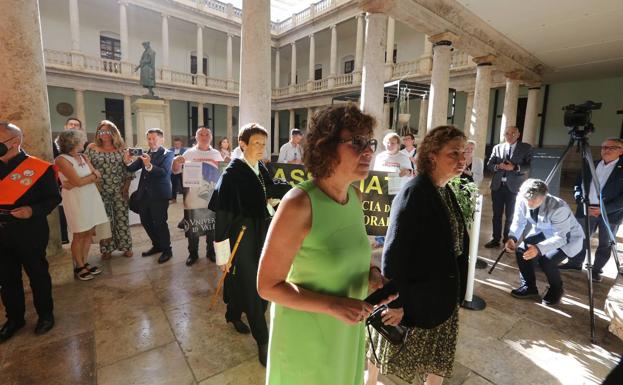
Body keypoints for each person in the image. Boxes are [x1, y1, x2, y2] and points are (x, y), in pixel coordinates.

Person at [258, 105, 391, 385]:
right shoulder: (299, 203)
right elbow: (267, 285)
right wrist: (333, 305)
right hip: (307, 339)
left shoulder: (355, 197)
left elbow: (349, 259)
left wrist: (372, 276)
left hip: (345, 333)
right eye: (356, 142)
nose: (368, 150)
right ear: (326, 147)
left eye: (370, 142)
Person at [367, 125, 469, 385]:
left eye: (463, 153)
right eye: (453, 153)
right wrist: (395, 303)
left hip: (440, 293)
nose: (462, 159)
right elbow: (394, 252)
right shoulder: (416, 191)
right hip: (416, 295)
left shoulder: (443, 189)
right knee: (388, 347)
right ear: (432, 155)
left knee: (437, 357)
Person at [208, 123, 290, 366]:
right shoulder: (232, 174)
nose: (261, 148)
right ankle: (263, 340)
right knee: (254, 287)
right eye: (256, 143)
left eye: (264, 144)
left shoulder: (260, 167)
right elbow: (221, 217)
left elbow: (269, 190)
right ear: (242, 144)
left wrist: (291, 192)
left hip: (263, 232)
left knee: (250, 281)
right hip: (241, 237)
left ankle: (233, 313)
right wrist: (223, 257)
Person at [0, 122, 60, 342]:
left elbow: (54, 198)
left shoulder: (38, 168)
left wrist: (32, 210)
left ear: (14, 142)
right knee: (7, 278)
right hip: (1, 232)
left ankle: (45, 315)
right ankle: (14, 319)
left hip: (29, 231)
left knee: (37, 274)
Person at [506, 179, 584, 305]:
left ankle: (556, 289)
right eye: (527, 199)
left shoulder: (559, 207)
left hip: (568, 237)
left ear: (544, 196)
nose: (529, 203)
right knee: (521, 250)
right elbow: (519, 221)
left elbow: (561, 237)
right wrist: (512, 237)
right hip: (544, 231)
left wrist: (538, 248)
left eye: (533, 200)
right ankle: (529, 287)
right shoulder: (522, 199)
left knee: (547, 260)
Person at [560, 138, 623, 282]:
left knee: (604, 243)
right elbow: (578, 185)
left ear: (621, 151)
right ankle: (575, 263)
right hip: (586, 209)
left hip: (610, 214)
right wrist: (581, 202)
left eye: (612, 147)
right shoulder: (591, 164)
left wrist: (603, 210)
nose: (606, 150)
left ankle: (596, 270)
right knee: (579, 237)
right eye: (604, 147)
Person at [55, 130, 108, 281]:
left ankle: (84, 261)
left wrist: (80, 181)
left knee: (89, 231)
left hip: (90, 196)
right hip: (75, 199)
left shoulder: (83, 156)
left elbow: (97, 175)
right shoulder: (61, 159)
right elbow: (81, 180)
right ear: (73, 142)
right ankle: (78, 266)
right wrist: (88, 178)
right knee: (79, 233)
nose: (84, 141)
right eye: (81, 139)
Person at [172, 127, 223, 266]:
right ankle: (193, 254)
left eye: (207, 134)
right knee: (192, 226)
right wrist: (176, 162)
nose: (204, 136)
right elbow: (176, 171)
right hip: (193, 197)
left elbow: (223, 173)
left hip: (212, 197)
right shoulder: (189, 153)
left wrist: (228, 162)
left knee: (211, 226)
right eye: (201, 134)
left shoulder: (216, 154)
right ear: (196, 137)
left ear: (211, 137)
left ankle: (210, 252)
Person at [84, 120, 134, 259]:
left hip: (119, 188)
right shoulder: (92, 148)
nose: (104, 134)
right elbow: (86, 166)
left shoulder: (122, 148)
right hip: (99, 189)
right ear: (98, 133)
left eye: (108, 131)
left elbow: (128, 169)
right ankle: (106, 249)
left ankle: (126, 247)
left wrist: (126, 188)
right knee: (104, 220)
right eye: (101, 131)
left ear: (114, 133)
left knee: (122, 218)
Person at [124, 128, 174, 264]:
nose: (151, 141)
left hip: (159, 195)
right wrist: (127, 160)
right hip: (144, 195)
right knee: (146, 222)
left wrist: (149, 165)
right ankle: (157, 245)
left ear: (162, 139)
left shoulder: (168, 154)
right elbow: (131, 168)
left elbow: (164, 173)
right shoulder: (145, 154)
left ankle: (167, 250)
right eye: (149, 139)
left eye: (154, 138)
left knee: (160, 223)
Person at [485, 126, 532, 248]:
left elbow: (528, 166)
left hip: (514, 187)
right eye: (507, 133)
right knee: (496, 215)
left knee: (511, 215)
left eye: (513, 133)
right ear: (504, 135)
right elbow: (490, 164)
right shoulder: (497, 147)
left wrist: (515, 167)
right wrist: (498, 166)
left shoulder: (525, 148)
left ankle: (507, 240)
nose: (509, 135)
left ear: (518, 134)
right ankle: (495, 239)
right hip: (497, 186)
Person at [372, 132, 412, 249]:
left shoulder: (403, 158)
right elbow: (375, 174)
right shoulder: (380, 157)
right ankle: (380, 240)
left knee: (395, 216)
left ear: (398, 144)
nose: (390, 145)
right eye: (388, 143)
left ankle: (395, 239)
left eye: (393, 143)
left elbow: (410, 173)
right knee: (380, 216)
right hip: (382, 191)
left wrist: (407, 172)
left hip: (398, 192)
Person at [53, 117, 86, 244]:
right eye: (71, 124)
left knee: (82, 225)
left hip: (80, 188)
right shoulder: (57, 145)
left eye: (76, 125)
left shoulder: (83, 149)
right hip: (63, 184)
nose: (73, 126)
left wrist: (90, 178)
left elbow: (93, 172)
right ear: (65, 126)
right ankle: (64, 238)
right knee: (65, 215)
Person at [169, 137, 187, 203]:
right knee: (173, 185)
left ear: (181, 144)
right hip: (173, 170)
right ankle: (173, 199)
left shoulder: (185, 151)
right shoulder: (170, 150)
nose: (176, 145)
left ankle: (185, 199)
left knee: (183, 185)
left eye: (178, 144)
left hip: (182, 171)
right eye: (175, 144)